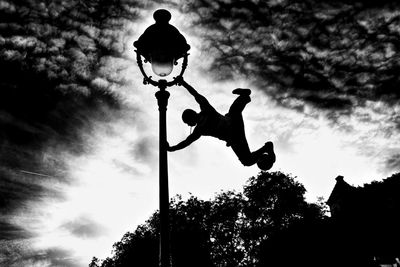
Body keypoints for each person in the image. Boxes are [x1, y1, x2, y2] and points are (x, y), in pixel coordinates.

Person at [167, 78, 276, 170]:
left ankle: (266, 148)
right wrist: (183, 83)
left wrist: (172, 148)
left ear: (190, 119)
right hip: (234, 127)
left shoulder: (199, 129)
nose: (188, 125)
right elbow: (196, 95)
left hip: (234, 136)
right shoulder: (206, 110)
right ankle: (244, 97)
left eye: (187, 123)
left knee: (246, 161)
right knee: (234, 112)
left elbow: (186, 142)